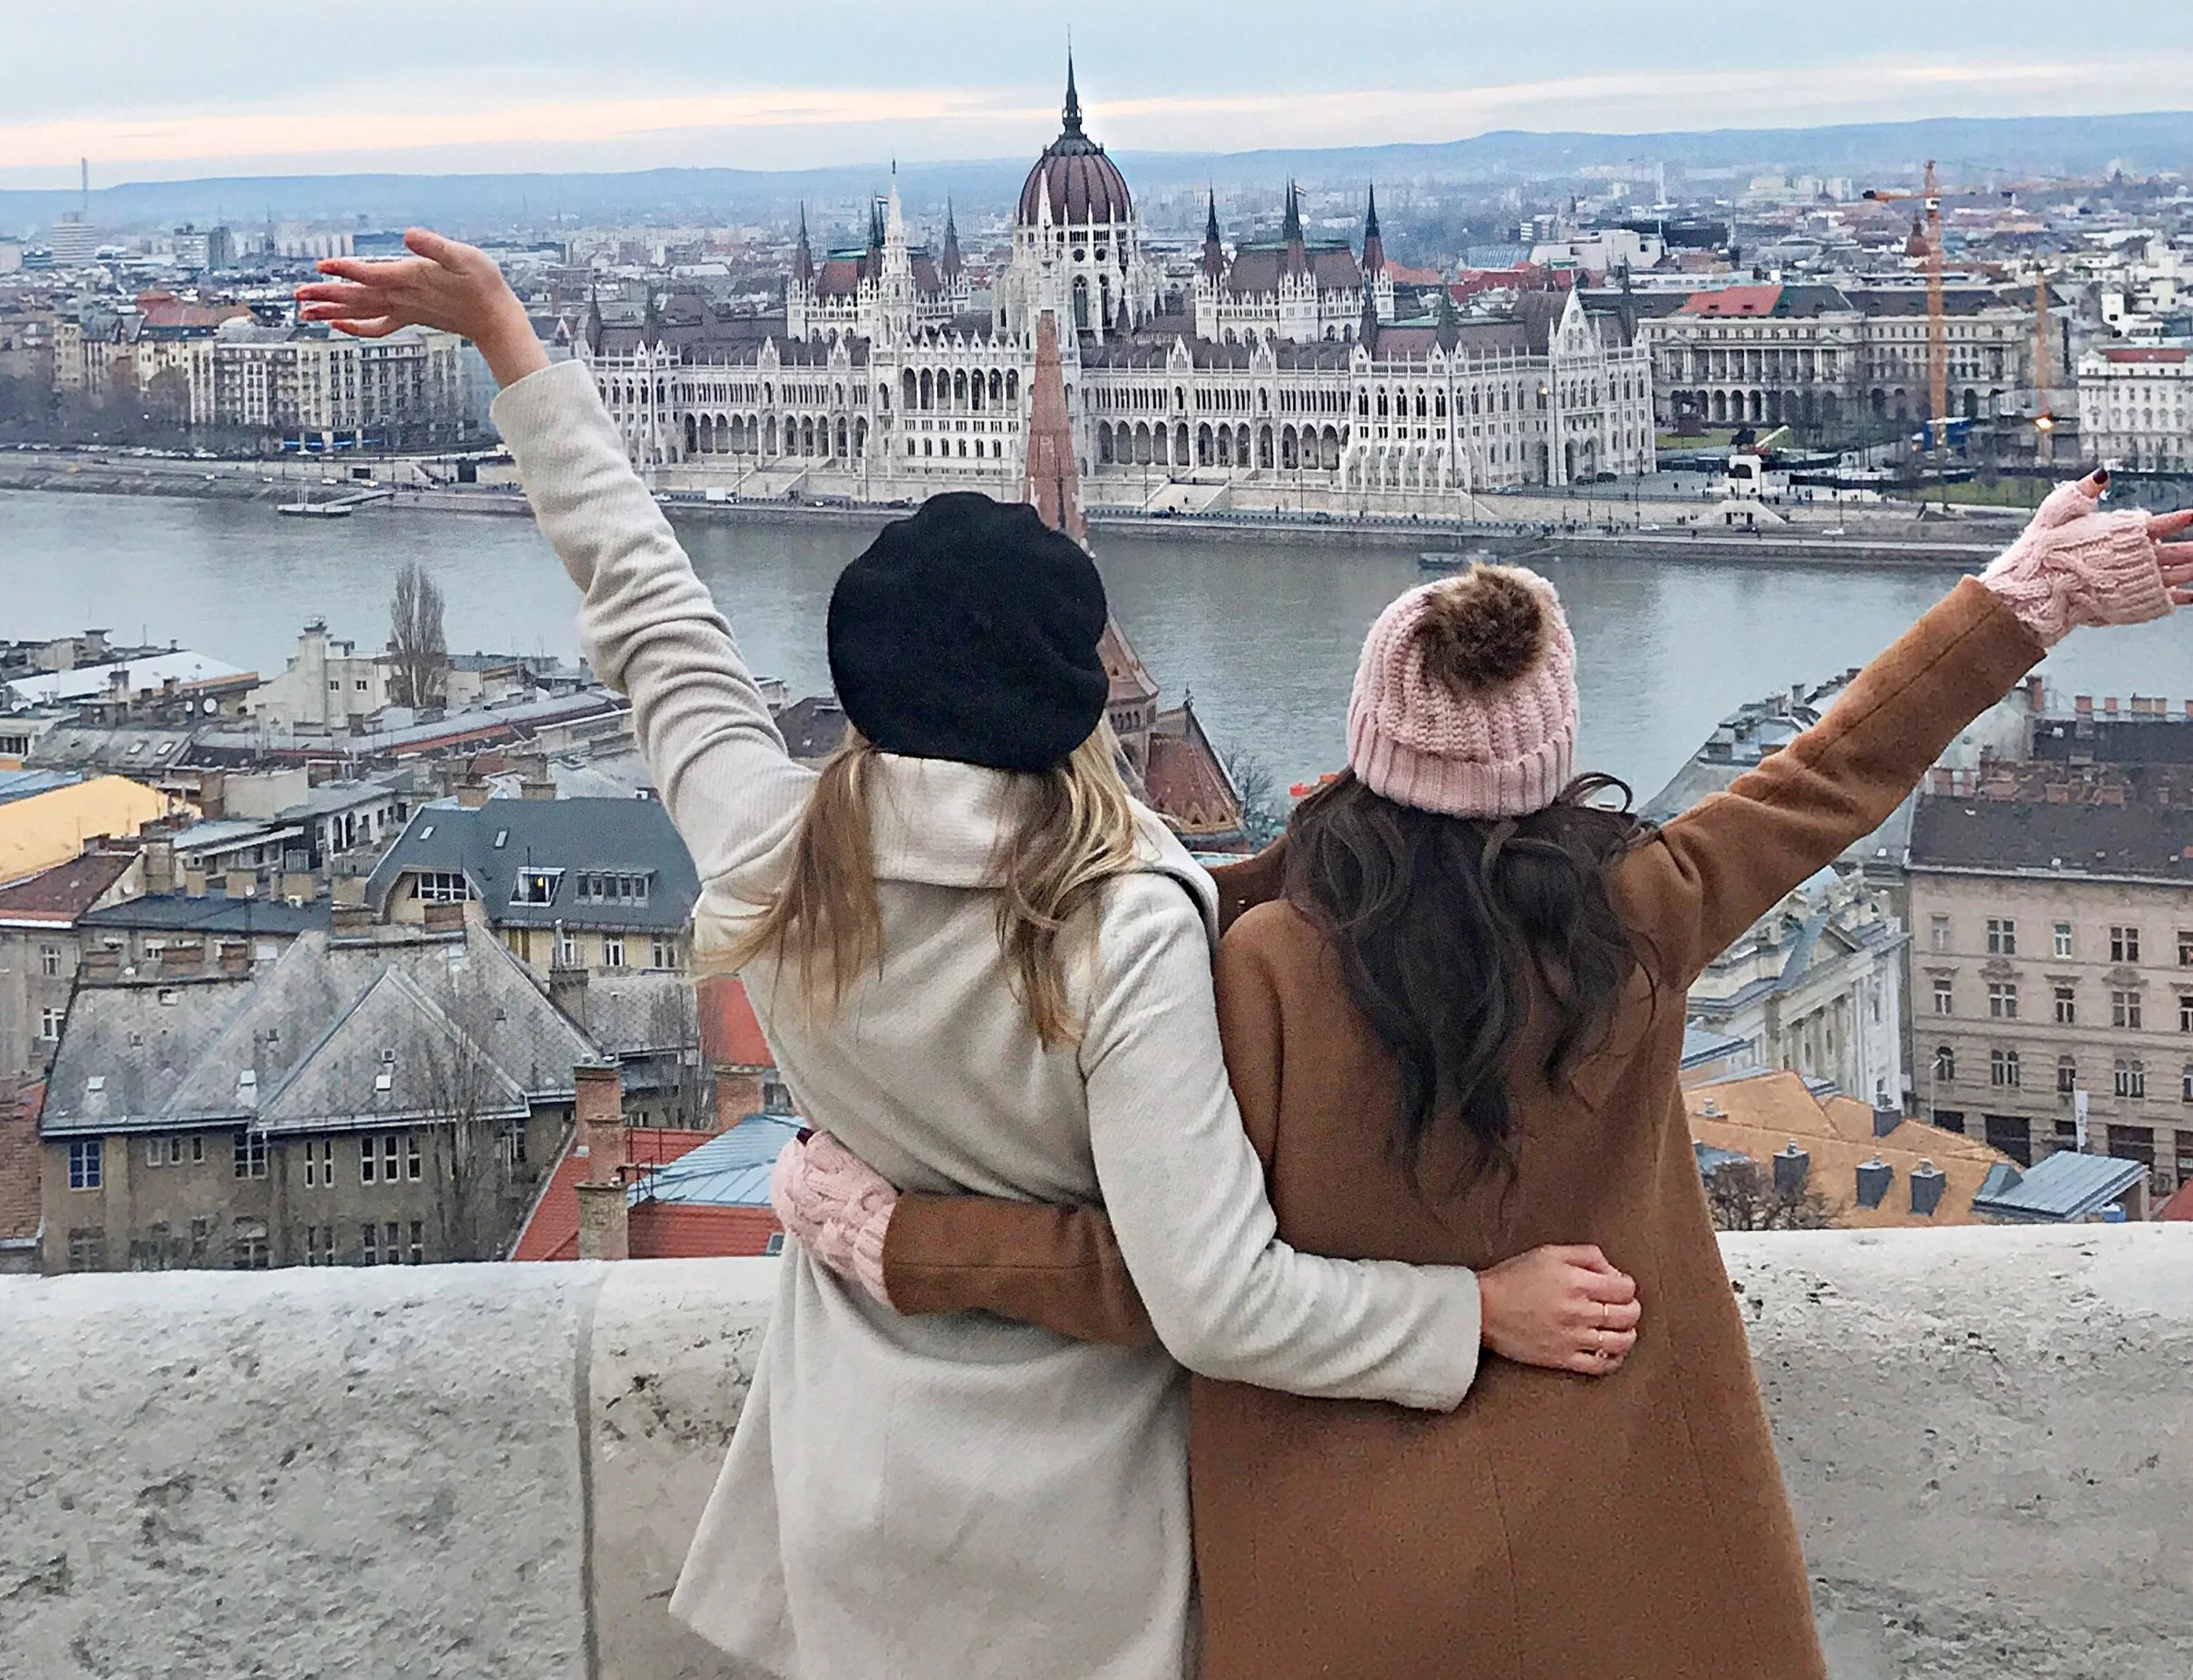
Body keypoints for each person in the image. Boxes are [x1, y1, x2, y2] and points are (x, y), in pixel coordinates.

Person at [295, 231, 1630, 1680]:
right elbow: (1222, 1298)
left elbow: (650, 616)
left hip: (851, 1516)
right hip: (1080, 1553)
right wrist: (1471, 1313)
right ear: (1077, 700)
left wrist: (513, 347)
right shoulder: (1118, 927)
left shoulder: (771, 855)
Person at [779, 478, 2193, 1680]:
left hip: (1340, 1582)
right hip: (1632, 1550)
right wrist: (2023, 600)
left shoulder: (1249, 963)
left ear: (1362, 750)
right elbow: (1835, 771)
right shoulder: (1646, 912)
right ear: (1555, 750)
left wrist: (906, 1238)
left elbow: (1167, 1282)